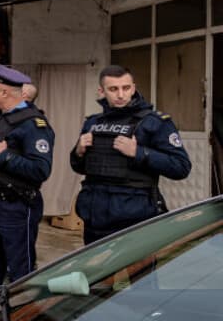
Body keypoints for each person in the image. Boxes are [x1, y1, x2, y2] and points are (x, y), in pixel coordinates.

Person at [71, 65, 191, 244]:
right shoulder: (93, 123)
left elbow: (181, 167)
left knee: (140, 264)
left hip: (135, 220)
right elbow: (80, 167)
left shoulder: (154, 122)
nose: (121, 95)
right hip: (95, 219)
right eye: (113, 89)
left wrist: (138, 152)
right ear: (101, 91)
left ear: (133, 88)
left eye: (126, 88)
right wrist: (78, 152)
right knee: (96, 264)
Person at [0, 62, 55, 286]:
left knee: (20, 272)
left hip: (16, 206)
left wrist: (3, 155)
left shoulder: (33, 124)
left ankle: (22, 309)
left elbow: (41, 169)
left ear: (5, 92)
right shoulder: (2, 118)